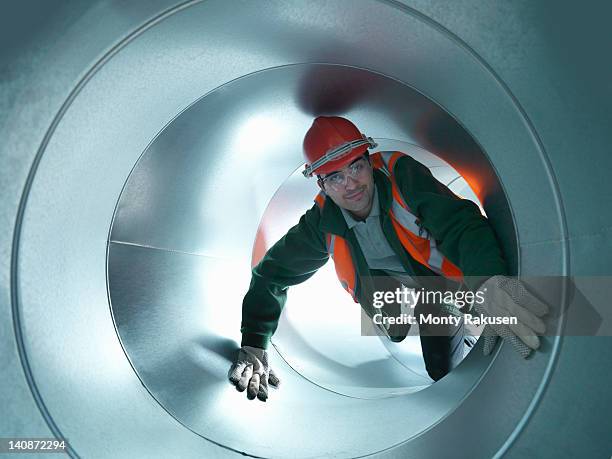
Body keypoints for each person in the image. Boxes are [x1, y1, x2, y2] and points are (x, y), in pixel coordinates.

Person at [228, 116, 549, 401]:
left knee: (444, 365)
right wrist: (255, 341)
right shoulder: (322, 221)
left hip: (444, 287)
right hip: (390, 302)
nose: (351, 183)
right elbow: (271, 274)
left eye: (356, 166)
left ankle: (467, 315)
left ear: (369, 160)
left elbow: (461, 225)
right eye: (336, 177)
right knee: (429, 357)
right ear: (321, 184)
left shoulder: (402, 177)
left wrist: (488, 281)